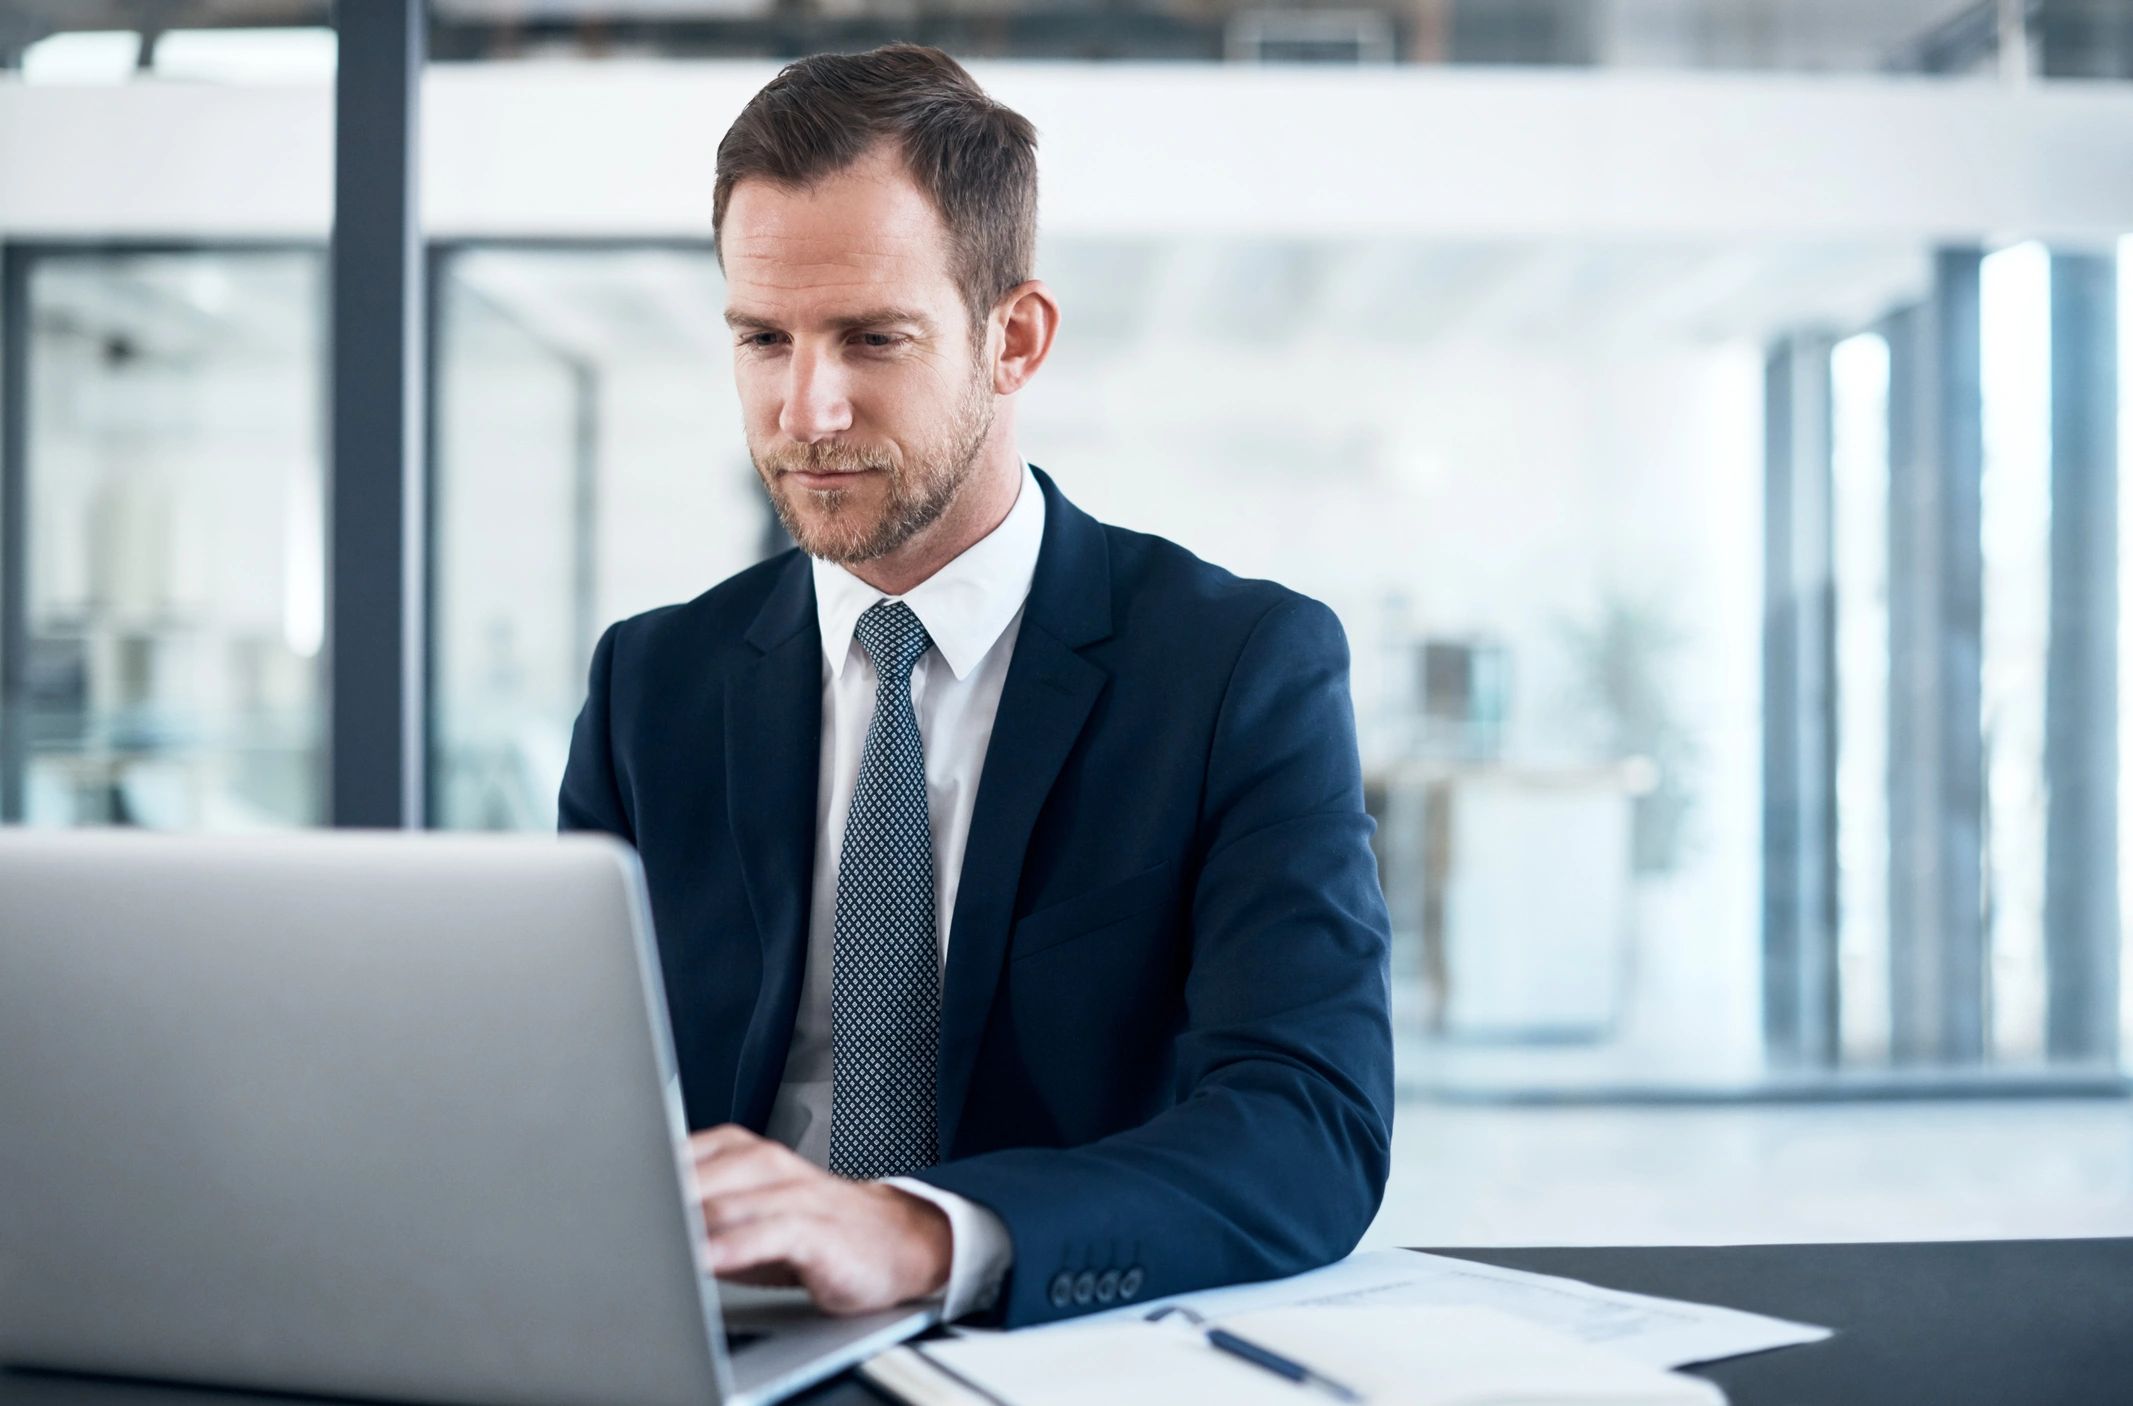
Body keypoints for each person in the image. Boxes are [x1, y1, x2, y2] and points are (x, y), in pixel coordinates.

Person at [558, 41, 1392, 1330]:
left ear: (1015, 337)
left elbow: (1307, 1123)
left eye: (871, 338)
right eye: (762, 338)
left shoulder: (1235, 670)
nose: (807, 408)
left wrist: (921, 1233)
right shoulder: (650, 683)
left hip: (1052, 1342)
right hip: (707, 1348)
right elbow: (567, 1097)